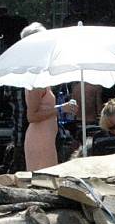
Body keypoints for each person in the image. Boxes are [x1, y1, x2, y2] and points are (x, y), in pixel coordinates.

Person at [21, 23, 78, 171]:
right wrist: (61, 108)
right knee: (42, 181)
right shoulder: (35, 80)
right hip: (40, 139)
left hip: (46, 137)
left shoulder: (41, 77)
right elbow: (31, 116)